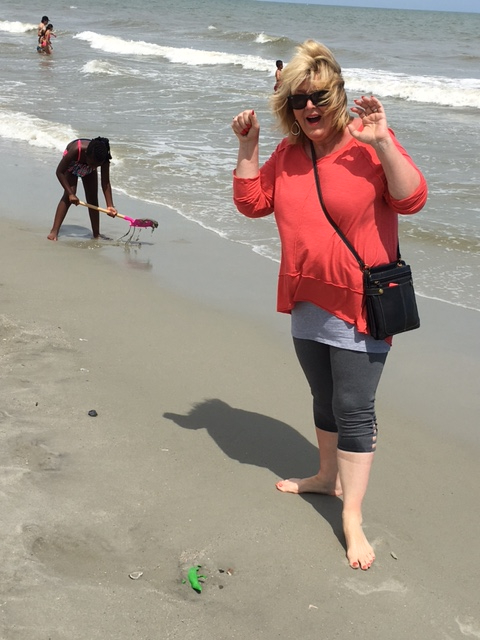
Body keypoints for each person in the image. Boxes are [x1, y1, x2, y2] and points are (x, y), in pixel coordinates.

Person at [231, 40, 427, 570]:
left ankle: (353, 516)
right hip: (307, 299)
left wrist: (383, 142)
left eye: (318, 96)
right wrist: (248, 147)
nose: (309, 108)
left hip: (362, 301)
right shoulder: (288, 154)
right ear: (288, 107)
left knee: (355, 408)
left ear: (337, 94)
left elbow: (411, 198)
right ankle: (325, 476)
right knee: (324, 397)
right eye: (298, 100)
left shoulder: (367, 143)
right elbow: (252, 203)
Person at [48, 137, 118, 241]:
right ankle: (54, 231)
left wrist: (110, 205)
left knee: (92, 198)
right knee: (69, 194)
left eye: (97, 166)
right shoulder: (77, 150)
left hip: (89, 164)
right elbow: (59, 172)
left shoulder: (103, 158)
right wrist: (70, 194)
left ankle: (96, 234)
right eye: (93, 164)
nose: (94, 167)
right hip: (72, 164)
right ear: (86, 154)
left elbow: (105, 182)